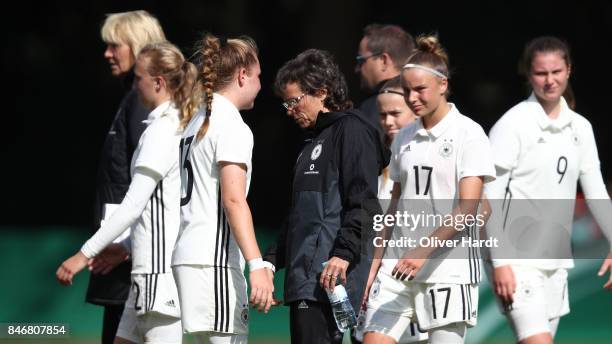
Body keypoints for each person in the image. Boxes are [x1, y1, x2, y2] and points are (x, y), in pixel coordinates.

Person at [57, 41, 196, 344]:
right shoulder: (169, 126)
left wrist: (82, 256)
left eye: (139, 78)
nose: (134, 85)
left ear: (158, 82)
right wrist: (128, 246)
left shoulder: (161, 132)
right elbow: (159, 209)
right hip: (146, 274)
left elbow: (132, 205)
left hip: (157, 277)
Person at [362, 35, 495, 344]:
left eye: (420, 89)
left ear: (443, 85)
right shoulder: (404, 136)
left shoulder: (469, 134)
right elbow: (392, 209)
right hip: (396, 267)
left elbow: (469, 207)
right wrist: (373, 266)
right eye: (407, 90)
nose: (412, 97)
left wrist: (421, 252)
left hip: (448, 269)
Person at [485, 36, 612, 344]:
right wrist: (501, 262)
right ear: (529, 75)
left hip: (556, 263)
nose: (550, 80)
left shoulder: (580, 127)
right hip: (516, 261)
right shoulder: (512, 124)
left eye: (556, 71)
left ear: (568, 69)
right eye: (541, 73)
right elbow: (488, 198)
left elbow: (595, 189)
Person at [263, 49, 389, 344]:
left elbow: (365, 204)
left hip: (329, 279)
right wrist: (270, 261)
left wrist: (343, 254)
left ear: (321, 92)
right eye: (286, 103)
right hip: (303, 279)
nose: (289, 110)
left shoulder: (353, 131)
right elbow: (300, 215)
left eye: (294, 101)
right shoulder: (311, 143)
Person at [171, 33, 274, 344]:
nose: (260, 83)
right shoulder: (231, 125)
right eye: (258, 76)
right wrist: (256, 264)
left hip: (188, 255)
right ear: (242, 75)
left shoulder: (196, 121)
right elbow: (233, 199)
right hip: (213, 260)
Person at [88, 10, 166, 344]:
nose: (107, 53)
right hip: (122, 255)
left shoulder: (141, 101)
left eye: (114, 45)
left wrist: (129, 244)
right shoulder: (130, 98)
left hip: (133, 259)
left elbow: (152, 180)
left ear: (136, 45)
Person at [355, 24, 414, 129]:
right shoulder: (426, 103)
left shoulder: (370, 109)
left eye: (361, 60)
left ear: (384, 60)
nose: (357, 69)